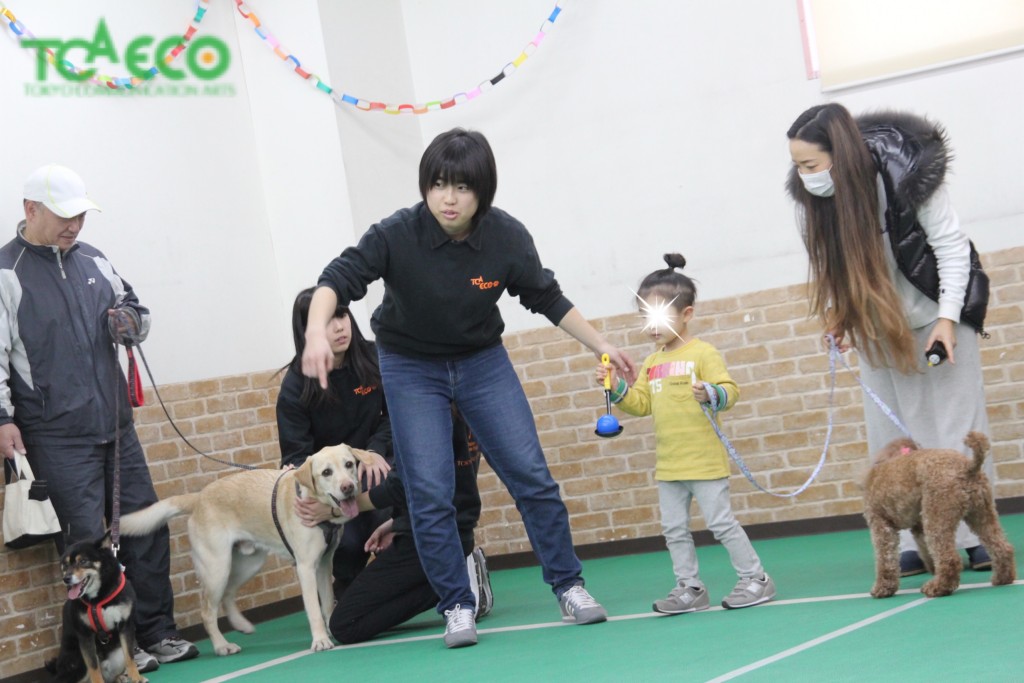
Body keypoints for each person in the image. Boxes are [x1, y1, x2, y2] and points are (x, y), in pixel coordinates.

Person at [301, 128, 637, 648]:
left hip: (481, 361)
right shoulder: (397, 234)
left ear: (483, 191)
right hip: (411, 366)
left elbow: (545, 295)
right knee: (430, 491)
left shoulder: (505, 237)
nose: (448, 199)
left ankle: (569, 586)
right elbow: (337, 277)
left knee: (532, 477)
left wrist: (601, 346)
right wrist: (315, 330)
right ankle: (457, 605)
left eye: (461, 187)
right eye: (437, 185)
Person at [0, 164, 197, 673]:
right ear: (30, 209)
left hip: (115, 426)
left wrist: (130, 321)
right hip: (55, 434)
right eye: (65, 216)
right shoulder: (7, 273)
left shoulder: (95, 259)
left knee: (146, 529)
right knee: (85, 549)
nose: (75, 226)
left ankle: (159, 634)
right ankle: (112, 654)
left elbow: (136, 308)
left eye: (81, 215)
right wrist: (2, 419)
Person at [785, 103, 993, 576]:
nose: (804, 176)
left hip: (937, 309)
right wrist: (842, 316)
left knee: (955, 424)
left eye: (810, 165)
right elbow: (841, 267)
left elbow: (951, 246)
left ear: (842, 155)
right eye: (797, 166)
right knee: (892, 433)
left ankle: (973, 535)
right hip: (877, 322)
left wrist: (947, 317)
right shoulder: (818, 198)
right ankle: (911, 538)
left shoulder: (909, 174)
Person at [596, 253, 776, 614]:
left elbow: (731, 392)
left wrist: (711, 392)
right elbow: (643, 404)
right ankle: (690, 587)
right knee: (674, 530)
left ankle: (756, 579)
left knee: (721, 523)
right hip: (670, 465)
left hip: (705, 462)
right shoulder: (652, 361)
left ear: (687, 314)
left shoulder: (703, 353)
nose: (653, 326)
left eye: (661, 317)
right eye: (646, 316)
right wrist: (616, 391)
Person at [327, 405, 493, 644]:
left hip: (428, 539)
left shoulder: (428, 412)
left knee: (344, 625)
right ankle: (455, 576)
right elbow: (441, 486)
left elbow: (399, 486)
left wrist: (333, 509)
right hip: (455, 533)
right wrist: (396, 524)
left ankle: (458, 581)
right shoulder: (463, 410)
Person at [276, 287, 392, 600]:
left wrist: (374, 451)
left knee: (398, 526)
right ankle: (348, 590)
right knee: (350, 545)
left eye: (341, 315)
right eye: (328, 321)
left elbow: (395, 416)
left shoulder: (375, 356)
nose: (340, 327)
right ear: (308, 331)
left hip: (376, 466)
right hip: (332, 487)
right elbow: (297, 456)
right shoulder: (296, 385)